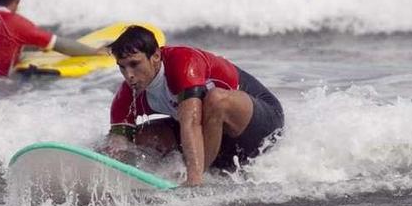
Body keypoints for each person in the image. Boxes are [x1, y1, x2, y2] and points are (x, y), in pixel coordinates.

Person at [103, 25, 284, 186]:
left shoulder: (182, 62)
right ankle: (186, 175)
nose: (129, 75)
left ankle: (197, 180)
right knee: (142, 136)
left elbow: (191, 122)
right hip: (220, 149)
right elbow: (118, 144)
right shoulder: (127, 95)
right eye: (123, 67)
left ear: (156, 56)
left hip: (260, 130)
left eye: (135, 64)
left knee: (216, 100)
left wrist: (193, 179)